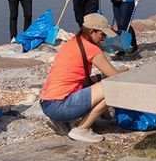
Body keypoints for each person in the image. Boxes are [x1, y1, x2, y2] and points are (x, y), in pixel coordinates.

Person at [40, 14, 127, 143]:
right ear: (92, 31)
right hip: (60, 106)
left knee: (97, 81)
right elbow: (114, 76)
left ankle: (63, 122)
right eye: (102, 34)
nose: (104, 39)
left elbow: (83, 79)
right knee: (113, 86)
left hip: (47, 104)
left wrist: (108, 117)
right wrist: (126, 71)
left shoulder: (73, 42)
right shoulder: (92, 49)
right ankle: (81, 129)